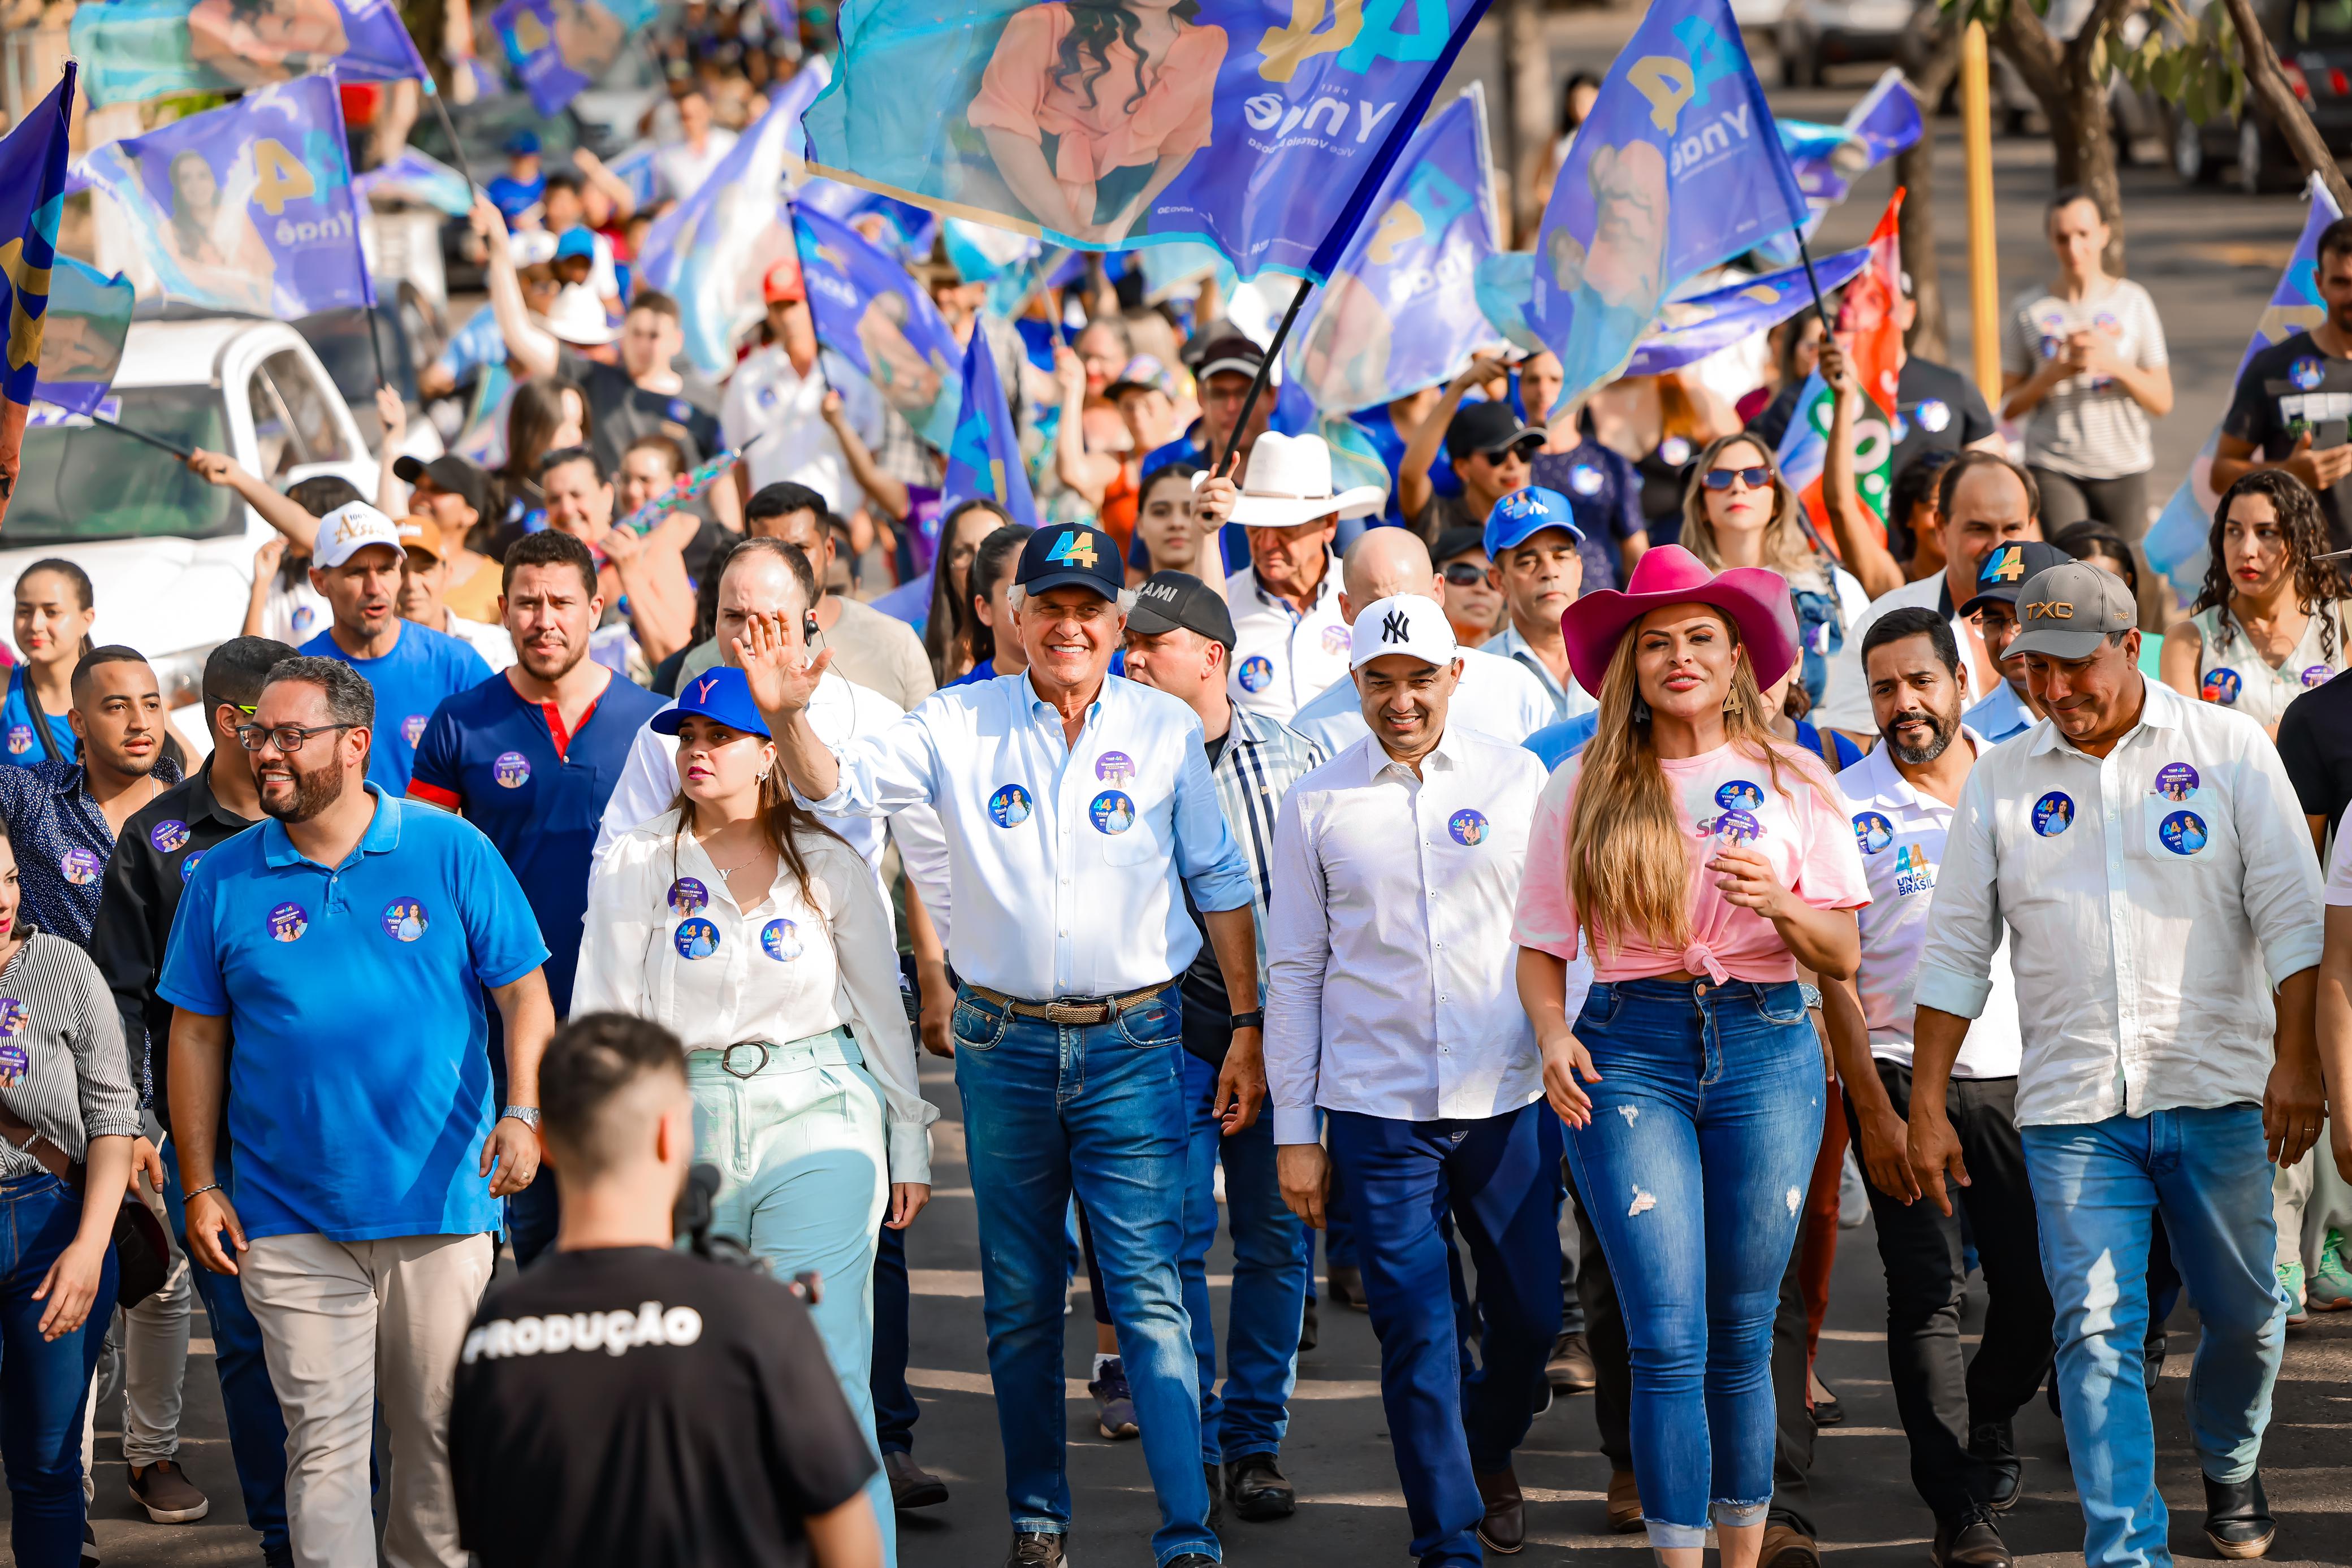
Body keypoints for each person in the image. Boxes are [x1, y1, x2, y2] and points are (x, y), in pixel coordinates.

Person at [751, 521, 1263, 1568]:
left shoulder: (1163, 727)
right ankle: (1040, 1518)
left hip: (1134, 1038)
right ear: (1014, 617)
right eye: (1050, 607)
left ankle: (1187, 1530)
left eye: (1089, 610)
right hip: (1005, 1044)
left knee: (1150, 1288)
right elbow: (831, 791)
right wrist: (790, 715)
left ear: (1117, 625)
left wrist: (1249, 1023)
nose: (1068, 627)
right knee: (1022, 1298)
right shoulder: (954, 722)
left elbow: (1218, 881)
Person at [1909, 560, 2325, 1568]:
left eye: (2070, 666)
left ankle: (2230, 1451)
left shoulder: (2227, 750)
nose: (2051, 691)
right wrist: (1925, 1101)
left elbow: (2294, 920)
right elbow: (1958, 946)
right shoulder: (2003, 776)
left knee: (2247, 1319)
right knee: (2095, 1332)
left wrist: (2300, 1064)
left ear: (2127, 645)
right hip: (2074, 1109)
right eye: (2028, 670)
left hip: (2220, 1093)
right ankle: (2125, 1550)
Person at [1514, 544, 1867, 1568]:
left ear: (1737, 657)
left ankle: (1744, 1556)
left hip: (1766, 1041)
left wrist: (1781, 903)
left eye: (1701, 637)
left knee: (1745, 1329)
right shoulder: (1579, 783)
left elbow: (1842, 950)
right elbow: (1540, 947)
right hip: (1631, 1049)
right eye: (1656, 640)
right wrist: (1551, 1032)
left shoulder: (1796, 773)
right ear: (1630, 662)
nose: (1679, 655)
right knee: (1666, 1336)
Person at [161, 655, 556, 1568]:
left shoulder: (450, 847)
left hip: (444, 1202)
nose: (267, 754)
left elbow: (526, 996)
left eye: (290, 737)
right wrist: (198, 1183)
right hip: (289, 1214)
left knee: (437, 1446)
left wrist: (525, 1110)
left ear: (355, 744)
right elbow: (194, 1037)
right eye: (259, 734)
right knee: (325, 1448)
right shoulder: (220, 876)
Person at [576, 665, 933, 1566]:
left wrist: (908, 1138)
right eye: (686, 737)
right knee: (689, 1376)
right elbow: (602, 1012)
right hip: (677, 1119)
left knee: (823, 1364)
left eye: (719, 737)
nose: (696, 752)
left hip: (816, 1106)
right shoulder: (635, 859)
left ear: (768, 753)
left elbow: (879, 1012)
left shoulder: (831, 862)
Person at [1266, 591, 1558, 1562]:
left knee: (1530, 1317)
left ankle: (1483, 1441)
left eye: (1420, 678)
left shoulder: (1519, 778)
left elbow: (1562, 934)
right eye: (1380, 681)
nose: (1401, 700)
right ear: (1354, 683)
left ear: (1455, 677)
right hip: (1375, 1108)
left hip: (1505, 1093)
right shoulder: (1314, 800)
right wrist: (1295, 1132)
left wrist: (1564, 1040)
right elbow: (1297, 968)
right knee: (1415, 1330)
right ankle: (1448, 1536)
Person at [447, 1012, 885, 1568]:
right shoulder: (754, 1313)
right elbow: (850, 1544)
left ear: (549, 1144)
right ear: (670, 1133)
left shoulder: (494, 1332)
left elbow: (495, 1535)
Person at [1822, 607, 2045, 1568]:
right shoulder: (1841, 800)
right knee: (1925, 1293)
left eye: (1921, 680)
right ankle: (1959, 1507)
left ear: (1964, 678)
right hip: (1898, 1065)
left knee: (2036, 1295)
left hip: (2022, 1073)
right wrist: (1869, 1102)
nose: (1903, 703)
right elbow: (1830, 970)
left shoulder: (2029, 775)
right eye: (1884, 687)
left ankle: (1989, 1414)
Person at [88, 638, 296, 1563]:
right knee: (250, 1348)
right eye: (283, 724)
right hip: (217, 1148)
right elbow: (123, 997)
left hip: (333, 1132)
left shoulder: (334, 817)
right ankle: (284, 1532)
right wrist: (134, 1121)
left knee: (359, 1350)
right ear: (230, 722)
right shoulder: (163, 838)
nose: (305, 743)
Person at [409, 530, 668, 1263]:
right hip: (505, 1027)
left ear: (596, 608)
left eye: (561, 602)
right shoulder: (460, 724)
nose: (543, 619)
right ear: (503, 609)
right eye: (527, 602)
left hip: (631, 1018)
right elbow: (426, 880)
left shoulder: (659, 723)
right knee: (535, 1239)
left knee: (631, 1237)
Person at [1121, 570, 1318, 1525]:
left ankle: (1255, 1440)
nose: (1131, 658)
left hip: (1274, 1024)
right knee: (1174, 1241)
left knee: (1278, 1236)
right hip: (1163, 1029)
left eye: (1151, 644)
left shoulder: (1294, 757)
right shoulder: (1111, 754)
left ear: (1211, 656)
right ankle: (1193, 1442)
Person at [0, 819, 137, 1568]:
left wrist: (90, 1245)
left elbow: (114, 1113)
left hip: (53, 1227)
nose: (2, 899)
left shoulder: (64, 965)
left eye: (11, 877)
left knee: (48, 1462)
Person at [1817, 452, 2046, 736]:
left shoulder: (2066, 611)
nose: (1998, 548)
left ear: (2032, 525)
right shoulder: (1886, 618)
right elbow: (1848, 741)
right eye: (1979, 529)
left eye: (2012, 528)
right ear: (1940, 526)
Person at [967, 0, 1225, 244]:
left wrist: (1125, 221)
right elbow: (1003, 123)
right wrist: (1066, 225)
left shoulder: (1206, 45)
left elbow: (1184, 143)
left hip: (1125, 215)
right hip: (1033, 195)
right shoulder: (1048, 24)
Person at [1284, 529, 1557, 755]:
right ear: (1347, 608)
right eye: (1377, 607)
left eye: (1412, 602)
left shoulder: (1514, 688)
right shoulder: (1314, 731)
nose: (1397, 623)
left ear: (1439, 591)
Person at [1998, 189, 2173, 535]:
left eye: (2083, 235)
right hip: (2053, 463)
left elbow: (2162, 401)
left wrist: (2113, 363)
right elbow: (2007, 407)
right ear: (2051, 240)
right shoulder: (2030, 309)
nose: (2074, 248)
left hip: (2123, 464)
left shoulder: (2133, 302)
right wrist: (2052, 375)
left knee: (2122, 577)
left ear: (2104, 234)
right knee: (2070, 570)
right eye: (2063, 238)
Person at [293, 500, 492, 794]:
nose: (375, 587)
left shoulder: (456, 663)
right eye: (356, 572)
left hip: (431, 841)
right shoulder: (297, 676)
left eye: (386, 569)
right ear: (320, 581)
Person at [681, 484, 935, 711]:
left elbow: (926, 754)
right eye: (767, 547)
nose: (785, 564)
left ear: (829, 550)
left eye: (799, 549)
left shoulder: (896, 643)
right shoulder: (701, 667)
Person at [0, 647, 181, 948]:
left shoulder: (199, 808)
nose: (140, 722)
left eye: (151, 705)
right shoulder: (37, 796)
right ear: (78, 723)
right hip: (62, 993)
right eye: (117, 707)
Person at [1679, 434, 1869, 720]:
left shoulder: (1833, 585)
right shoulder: (1678, 591)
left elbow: (1872, 683)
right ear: (1702, 505)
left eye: (1755, 476)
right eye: (1719, 478)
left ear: (1777, 500)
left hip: (1825, 754)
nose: (1738, 487)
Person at [1749, 277, 2002, 487]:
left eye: (1878, 299)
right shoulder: (1803, 400)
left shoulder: (1954, 388)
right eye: (1850, 300)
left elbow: (1994, 481)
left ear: (1908, 313)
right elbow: (1772, 484)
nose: (1864, 312)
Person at [1197, 432, 1379, 722]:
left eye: (1286, 528)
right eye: (1255, 527)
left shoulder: (1373, 599)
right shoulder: (1222, 603)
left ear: (1329, 525)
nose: (1267, 543)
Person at [2163, 470, 2352, 734]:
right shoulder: (2187, 639)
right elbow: (2188, 748)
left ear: (2303, 539)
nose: (2247, 550)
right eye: (2234, 531)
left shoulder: (2346, 623)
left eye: (2266, 532)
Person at [2215, 214, 2352, 552]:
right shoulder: (2273, 368)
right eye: (2341, 283)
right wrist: (2285, 473)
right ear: (2318, 283)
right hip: (2304, 573)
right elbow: (2220, 474)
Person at [723, 259, 890, 516]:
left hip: (836, 518)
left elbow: (873, 451)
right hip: (771, 521)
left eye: (793, 304)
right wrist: (745, 517)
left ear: (811, 303)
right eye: (777, 307)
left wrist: (863, 513)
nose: (787, 316)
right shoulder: (748, 378)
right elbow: (738, 458)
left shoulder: (852, 374)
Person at [541, 445, 698, 668]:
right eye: (554, 499)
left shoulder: (653, 554)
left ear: (607, 497)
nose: (566, 508)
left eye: (577, 495)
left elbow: (678, 654)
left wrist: (631, 575)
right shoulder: (546, 572)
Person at [1481, 486, 1601, 721]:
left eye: (1561, 557)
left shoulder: (1621, 654)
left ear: (1578, 570)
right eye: (1528, 562)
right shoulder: (1481, 672)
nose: (1549, 572)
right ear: (1499, 581)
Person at [1957, 540, 2074, 744]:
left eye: (2023, 619)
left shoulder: (2139, 710)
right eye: (1993, 621)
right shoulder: (1968, 737)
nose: (2007, 639)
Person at [1399, 389, 1542, 544]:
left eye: (1523, 452)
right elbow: (1410, 475)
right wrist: (1461, 385)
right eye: (1497, 455)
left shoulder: (1543, 519)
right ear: (1462, 468)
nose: (1514, 464)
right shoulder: (1440, 520)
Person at [389, 453, 502, 623]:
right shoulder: (390, 565)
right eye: (418, 487)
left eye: (437, 489)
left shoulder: (500, 581)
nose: (421, 495)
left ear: (469, 515)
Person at [4, 561, 96, 768]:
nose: (35, 625)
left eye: (52, 612)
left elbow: (185, 764)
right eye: (24, 612)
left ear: (86, 619)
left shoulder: (123, 688)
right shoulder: (5, 690)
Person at [396, 516, 516, 672]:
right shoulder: (362, 655)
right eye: (399, 570)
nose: (411, 584)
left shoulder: (495, 646)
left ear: (448, 574)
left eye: (424, 569)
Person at [2053, 522, 2165, 677]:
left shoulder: (2165, 651)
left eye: (2111, 582)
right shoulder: (2037, 661)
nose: (2101, 596)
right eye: (2085, 583)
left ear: (2128, 582)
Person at [924, 499, 1016, 684]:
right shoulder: (916, 646)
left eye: (992, 551)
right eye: (962, 552)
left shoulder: (1042, 642)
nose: (977, 564)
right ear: (946, 570)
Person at [949, 525, 1039, 689]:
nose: (1038, 604)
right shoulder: (953, 704)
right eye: (1020, 591)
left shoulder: (1100, 684)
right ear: (984, 609)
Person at [1127, 463, 1224, 595]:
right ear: (1140, 524)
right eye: (1160, 512)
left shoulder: (1238, 599)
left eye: (1190, 511)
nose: (1176, 523)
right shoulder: (1121, 610)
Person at [654, 85, 738, 205]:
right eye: (687, 116)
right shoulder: (666, 158)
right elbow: (664, 200)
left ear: (709, 111)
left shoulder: (730, 142)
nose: (693, 122)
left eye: (697, 114)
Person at [1433, 527, 1503, 648]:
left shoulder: (1517, 661)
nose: (1481, 589)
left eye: (1493, 580)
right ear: (1436, 587)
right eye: (1464, 575)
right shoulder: (1408, 658)